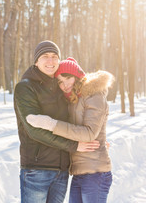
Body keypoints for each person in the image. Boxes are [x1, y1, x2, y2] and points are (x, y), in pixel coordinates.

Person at [14, 42, 99, 203]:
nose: (50, 61)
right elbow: (34, 130)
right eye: (45, 56)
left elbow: (74, 122)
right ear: (36, 61)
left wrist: (94, 139)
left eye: (54, 57)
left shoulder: (61, 88)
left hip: (62, 170)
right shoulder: (25, 88)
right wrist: (74, 146)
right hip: (37, 169)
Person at [26, 57, 115, 203]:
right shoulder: (74, 100)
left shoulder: (94, 95)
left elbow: (89, 133)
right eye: (60, 81)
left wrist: (52, 124)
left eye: (67, 78)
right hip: (79, 173)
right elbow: (77, 130)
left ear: (77, 76)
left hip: (95, 173)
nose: (64, 84)